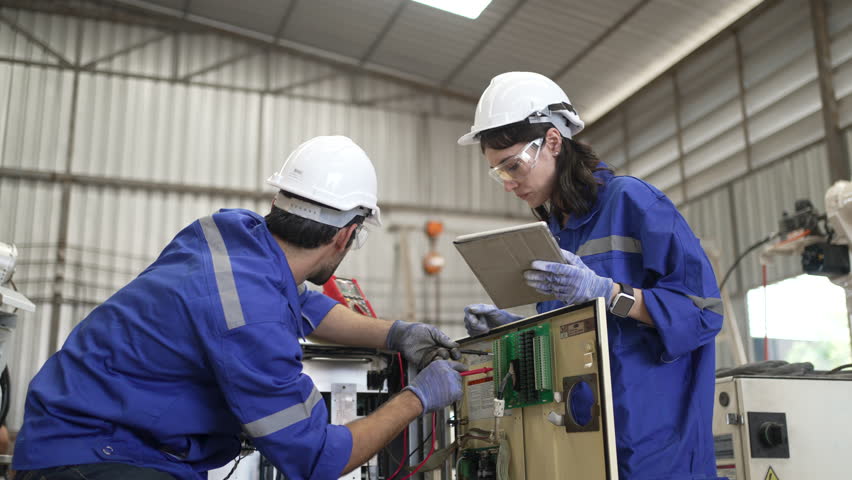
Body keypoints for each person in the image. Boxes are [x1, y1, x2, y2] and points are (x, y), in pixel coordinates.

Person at [12, 136, 465, 480]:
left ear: (281, 201)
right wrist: (417, 397)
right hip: (98, 456)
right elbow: (316, 458)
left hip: (76, 439)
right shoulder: (253, 315)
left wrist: (395, 334)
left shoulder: (231, 233)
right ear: (346, 235)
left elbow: (303, 302)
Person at [458, 72, 724, 480]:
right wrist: (516, 332)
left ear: (552, 141)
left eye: (514, 166)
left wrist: (608, 293)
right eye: (500, 173)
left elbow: (703, 314)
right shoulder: (556, 234)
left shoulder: (635, 203)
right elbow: (574, 334)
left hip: (656, 446)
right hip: (583, 441)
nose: (509, 183)